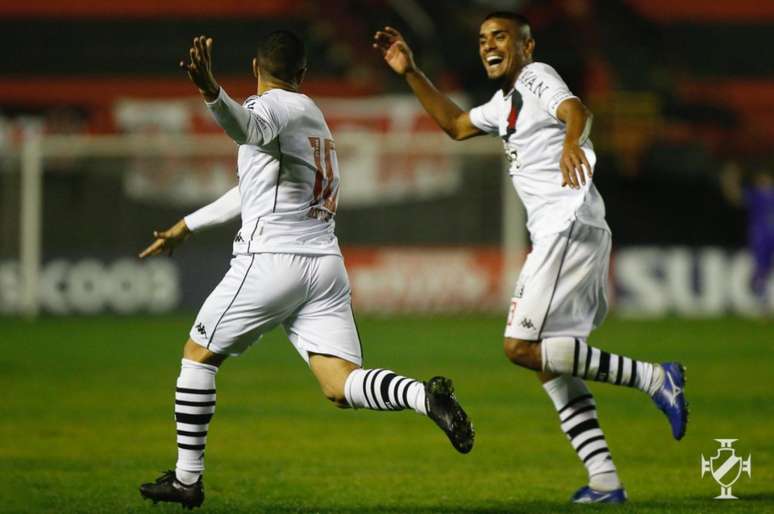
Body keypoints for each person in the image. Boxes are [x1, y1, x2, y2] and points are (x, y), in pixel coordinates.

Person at [138, 31, 474, 510]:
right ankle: (426, 397)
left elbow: (245, 128)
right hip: (324, 268)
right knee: (339, 385)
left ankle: (187, 480)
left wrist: (211, 90)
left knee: (197, 354)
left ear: (256, 67)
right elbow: (251, 190)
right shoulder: (313, 116)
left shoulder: (269, 108)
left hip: (272, 261)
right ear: (303, 75)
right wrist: (188, 224)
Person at [374, 12, 687, 504]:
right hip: (563, 231)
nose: (488, 45)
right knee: (549, 362)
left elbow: (578, 110)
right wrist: (410, 71)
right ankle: (605, 479)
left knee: (519, 347)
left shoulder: (537, 77)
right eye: (482, 39)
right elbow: (455, 125)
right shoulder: (503, 105)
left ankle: (653, 377)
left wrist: (569, 143)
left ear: (526, 45)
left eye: (500, 36)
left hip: (567, 224)